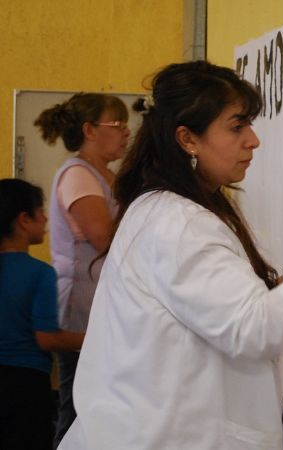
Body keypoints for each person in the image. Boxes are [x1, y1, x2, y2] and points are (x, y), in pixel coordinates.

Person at [57, 61, 283, 450]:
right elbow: (258, 328)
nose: (253, 140)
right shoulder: (176, 222)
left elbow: (218, 307)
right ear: (188, 139)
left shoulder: (169, 209)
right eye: (237, 127)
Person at [34, 92, 131, 446]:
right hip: (79, 306)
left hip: (99, 303)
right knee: (77, 410)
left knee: (99, 409)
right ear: (89, 130)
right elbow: (105, 237)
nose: (126, 132)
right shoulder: (78, 174)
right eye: (117, 124)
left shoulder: (103, 173)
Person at [0, 179, 84, 450]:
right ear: (24, 219)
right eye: (41, 211)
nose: (47, 218)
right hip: (25, 384)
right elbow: (47, 339)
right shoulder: (39, 273)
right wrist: (93, 337)